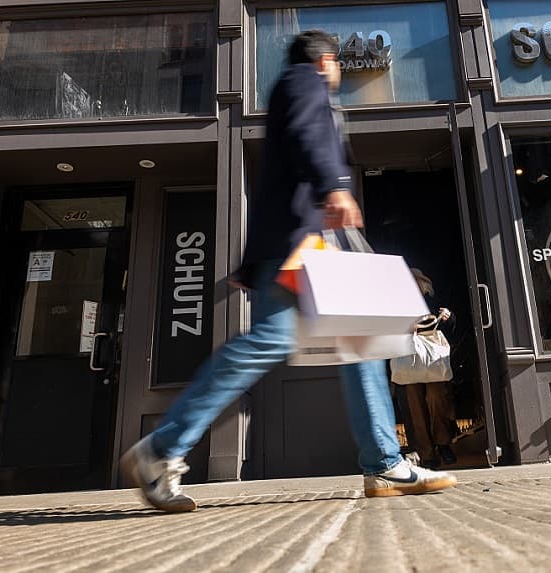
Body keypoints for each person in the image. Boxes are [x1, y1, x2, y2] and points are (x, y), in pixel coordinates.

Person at [120, 30, 456, 512]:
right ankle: (162, 448)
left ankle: (384, 461)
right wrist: (336, 185)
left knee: (358, 343)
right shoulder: (305, 81)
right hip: (307, 247)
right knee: (268, 344)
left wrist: (251, 262)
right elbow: (305, 134)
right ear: (327, 61)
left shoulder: (293, 87)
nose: (337, 74)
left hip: (301, 247)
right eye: (337, 65)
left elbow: (277, 178)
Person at [394, 269, 458, 468]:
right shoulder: (396, 305)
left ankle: (443, 443)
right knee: (414, 405)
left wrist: (449, 317)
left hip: (432, 362)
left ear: (424, 285)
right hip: (408, 361)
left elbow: (450, 332)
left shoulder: (433, 304)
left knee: (437, 396)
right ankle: (426, 454)